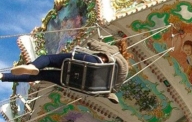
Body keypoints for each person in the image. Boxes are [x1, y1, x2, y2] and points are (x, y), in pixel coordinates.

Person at [0, 38, 129, 104]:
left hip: (91, 62)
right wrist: (110, 95)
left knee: (48, 59)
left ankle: (30, 67)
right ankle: (3, 77)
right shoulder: (123, 69)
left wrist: (93, 42)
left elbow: (94, 44)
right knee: (43, 76)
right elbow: (116, 87)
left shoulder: (114, 51)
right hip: (82, 84)